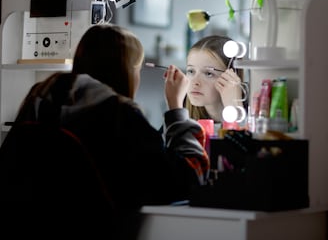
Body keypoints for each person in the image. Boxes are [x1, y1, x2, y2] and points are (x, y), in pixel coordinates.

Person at [2, 24, 209, 239]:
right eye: (137, 69)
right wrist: (176, 108)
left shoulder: (39, 102)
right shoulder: (118, 116)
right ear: (125, 72)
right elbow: (188, 179)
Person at [185, 35, 245, 123]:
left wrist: (234, 105)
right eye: (191, 71)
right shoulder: (181, 112)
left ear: (231, 77)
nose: (195, 82)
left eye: (208, 73)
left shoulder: (252, 112)